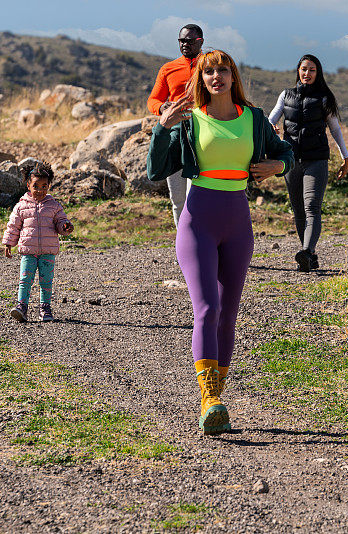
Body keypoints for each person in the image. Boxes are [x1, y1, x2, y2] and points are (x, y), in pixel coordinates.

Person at [147, 50, 294, 435]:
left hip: (238, 223)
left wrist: (279, 165)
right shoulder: (191, 119)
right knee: (207, 308)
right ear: (200, 78)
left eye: (222, 70)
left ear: (233, 76)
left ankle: (217, 404)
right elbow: (155, 169)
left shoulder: (255, 119)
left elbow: (285, 152)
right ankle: (209, 398)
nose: (216, 77)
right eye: (208, 71)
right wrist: (162, 129)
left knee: (228, 314)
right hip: (198, 222)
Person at [268, 54, 348, 272]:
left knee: (312, 206)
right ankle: (310, 257)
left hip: (317, 161)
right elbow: (270, 120)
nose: (307, 73)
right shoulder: (286, 95)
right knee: (298, 211)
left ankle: (305, 251)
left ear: (318, 73)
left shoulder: (324, 99)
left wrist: (345, 156)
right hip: (291, 161)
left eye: (312, 70)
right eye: (304, 69)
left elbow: (335, 129)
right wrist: (272, 132)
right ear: (298, 71)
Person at [147, 23, 204, 227]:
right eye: (181, 40)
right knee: (178, 199)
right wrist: (163, 109)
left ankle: (201, 244)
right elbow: (152, 100)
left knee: (196, 196)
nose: (184, 44)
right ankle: (183, 247)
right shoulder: (168, 68)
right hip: (175, 135)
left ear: (201, 42)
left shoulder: (210, 66)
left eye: (189, 40)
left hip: (204, 134)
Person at [3, 161, 74, 322]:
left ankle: (45, 308)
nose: (40, 190)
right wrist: (8, 243)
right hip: (28, 252)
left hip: (48, 252)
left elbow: (61, 222)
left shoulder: (54, 206)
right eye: (36, 186)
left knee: (46, 281)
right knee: (25, 280)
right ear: (28, 185)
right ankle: (22, 307)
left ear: (48, 186)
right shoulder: (21, 206)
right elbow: (13, 226)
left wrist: (65, 227)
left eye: (44, 186)